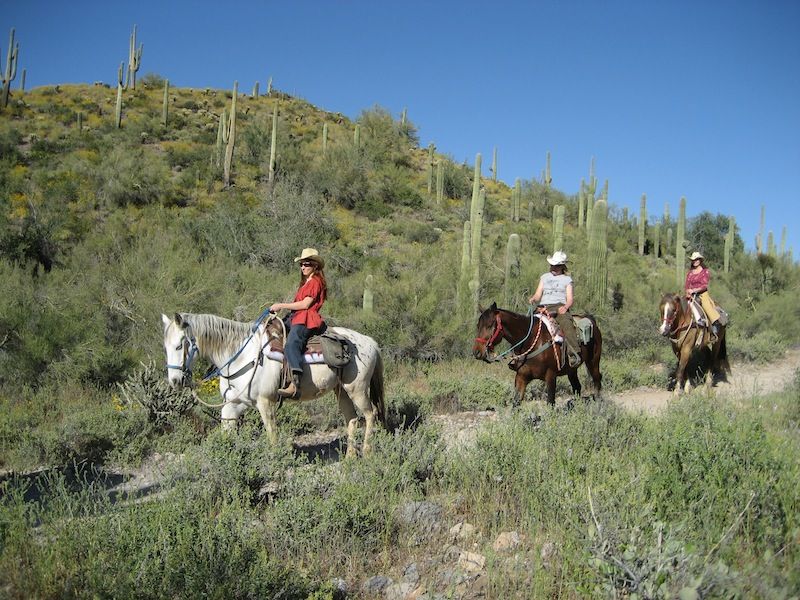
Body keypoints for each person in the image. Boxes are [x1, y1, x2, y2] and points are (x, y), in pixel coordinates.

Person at [269, 248, 327, 399]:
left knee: (292, 344)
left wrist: (281, 305)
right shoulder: (305, 283)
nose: (303, 267)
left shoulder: (315, 282)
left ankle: (295, 384)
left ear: (315, 265)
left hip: (306, 319)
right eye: (301, 264)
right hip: (295, 317)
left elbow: (305, 305)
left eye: (306, 264)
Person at [528, 250, 582, 368]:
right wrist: (533, 298)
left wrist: (565, 307)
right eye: (552, 265)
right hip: (543, 307)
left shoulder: (567, 280)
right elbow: (538, 294)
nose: (553, 267)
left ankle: (574, 353)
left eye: (556, 266)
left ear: (562, 266)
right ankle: (521, 353)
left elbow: (570, 299)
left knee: (567, 324)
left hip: (558, 307)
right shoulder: (544, 277)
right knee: (528, 324)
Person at [685, 251, 721, 339]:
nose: (695, 261)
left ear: (700, 260)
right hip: (691, 295)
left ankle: (715, 323)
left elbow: (704, 285)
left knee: (706, 306)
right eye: (693, 260)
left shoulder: (705, 271)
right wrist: (687, 291)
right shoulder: (690, 273)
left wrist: (694, 290)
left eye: (697, 259)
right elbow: (687, 284)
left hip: (702, 294)